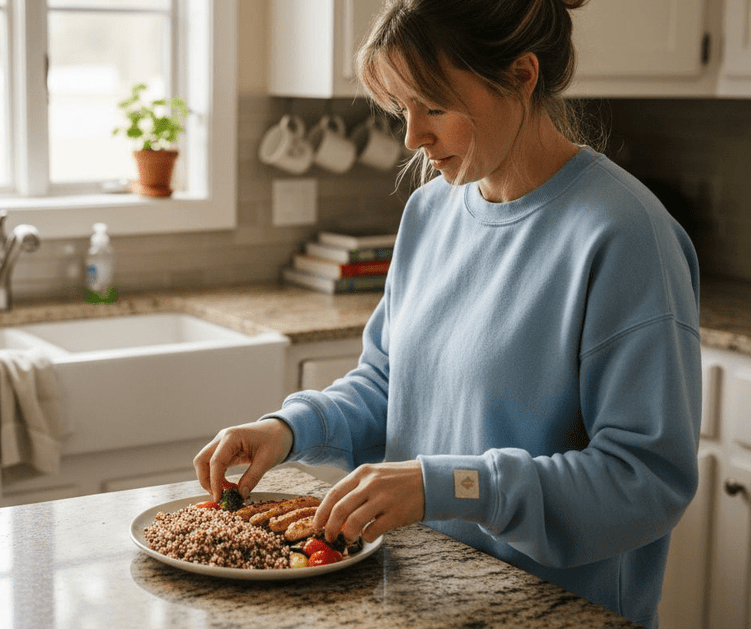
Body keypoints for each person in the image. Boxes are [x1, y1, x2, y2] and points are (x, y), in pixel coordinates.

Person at [194, 1, 701, 627]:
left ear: (521, 76)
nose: (413, 136)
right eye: (401, 108)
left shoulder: (625, 236)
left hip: (557, 611)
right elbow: (387, 383)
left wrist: (449, 485)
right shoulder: (431, 211)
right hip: (422, 598)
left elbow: (643, 482)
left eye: (433, 107)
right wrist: (291, 428)